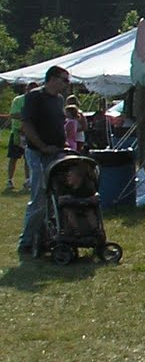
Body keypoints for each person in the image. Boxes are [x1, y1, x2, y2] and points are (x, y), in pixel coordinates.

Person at [16, 67, 70, 258]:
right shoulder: (35, 97)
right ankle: (27, 241)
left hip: (56, 152)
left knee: (58, 196)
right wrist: (42, 146)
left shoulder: (59, 100)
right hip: (38, 153)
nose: (66, 84)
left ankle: (50, 236)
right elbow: (26, 125)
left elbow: (59, 124)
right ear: (52, 79)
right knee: (39, 196)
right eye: (65, 80)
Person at [4, 84, 28, 190]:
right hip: (17, 132)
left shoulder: (36, 101)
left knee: (29, 158)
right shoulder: (18, 100)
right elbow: (14, 114)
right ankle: (9, 180)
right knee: (13, 158)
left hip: (30, 133)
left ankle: (28, 180)